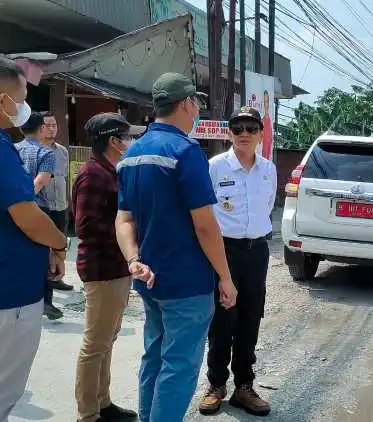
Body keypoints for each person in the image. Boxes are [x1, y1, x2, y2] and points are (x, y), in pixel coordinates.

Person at [115, 72, 238, 421]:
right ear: (185, 103)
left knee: (154, 356)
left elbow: (123, 221)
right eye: (196, 102)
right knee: (179, 365)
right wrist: (225, 278)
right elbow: (205, 226)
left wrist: (133, 259)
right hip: (186, 283)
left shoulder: (131, 154)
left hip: (151, 280)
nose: (196, 109)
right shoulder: (186, 152)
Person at [0, 53, 67, 422]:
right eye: (21, 99)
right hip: (7, 294)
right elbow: (27, 214)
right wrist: (59, 243)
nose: (24, 109)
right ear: (2, 101)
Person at [199, 106, 276, 417]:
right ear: (229, 133)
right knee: (222, 320)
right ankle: (217, 385)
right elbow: (204, 214)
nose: (244, 134)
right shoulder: (215, 167)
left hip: (257, 252)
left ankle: (244, 386)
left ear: (260, 134)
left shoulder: (269, 169)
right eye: (237, 128)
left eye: (251, 128)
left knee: (250, 318)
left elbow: (267, 206)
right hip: (224, 252)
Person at [73, 113, 145, 422]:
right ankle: (88, 414)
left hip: (116, 268)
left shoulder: (111, 171)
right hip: (101, 269)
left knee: (107, 340)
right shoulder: (94, 174)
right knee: (95, 344)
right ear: (114, 141)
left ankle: (103, 403)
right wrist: (125, 231)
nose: (131, 142)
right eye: (127, 137)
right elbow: (85, 227)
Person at [16, 111, 68, 320]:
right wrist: (27, 199)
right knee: (43, 256)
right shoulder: (45, 153)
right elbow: (41, 181)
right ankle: (42, 302)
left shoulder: (13, 149)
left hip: (13, 207)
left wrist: (16, 200)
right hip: (38, 208)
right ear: (41, 129)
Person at [40, 111, 75, 293]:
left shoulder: (62, 151)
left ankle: (57, 276)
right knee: (43, 247)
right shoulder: (34, 150)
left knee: (60, 243)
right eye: (48, 125)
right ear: (40, 127)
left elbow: (65, 178)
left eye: (54, 125)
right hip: (43, 205)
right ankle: (44, 283)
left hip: (60, 204)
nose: (52, 129)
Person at [261, 90, 273, 160]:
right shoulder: (265, 118)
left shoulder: (267, 117)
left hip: (268, 134)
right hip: (265, 134)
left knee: (267, 151)